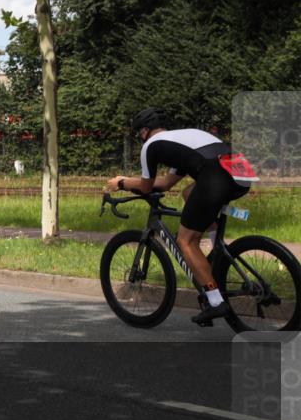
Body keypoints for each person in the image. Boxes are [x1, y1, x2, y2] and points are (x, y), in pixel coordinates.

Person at [107, 108, 256, 324]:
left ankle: (216, 301)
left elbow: (146, 187)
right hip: (240, 172)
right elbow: (167, 184)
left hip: (215, 176)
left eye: (139, 133)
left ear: (144, 131)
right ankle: (217, 253)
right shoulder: (181, 140)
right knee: (188, 193)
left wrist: (121, 183)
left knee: (185, 241)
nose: (140, 137)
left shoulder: (151, 145)